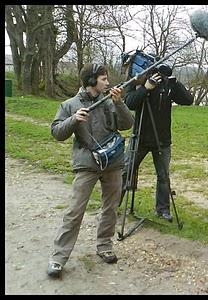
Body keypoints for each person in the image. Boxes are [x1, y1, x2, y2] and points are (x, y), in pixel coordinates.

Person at [47, 63, 134, 278]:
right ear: (91, 81)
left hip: (113, 163)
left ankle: (104, 245)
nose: (107, 82)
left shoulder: (110, 101)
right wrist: (73, 119)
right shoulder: (70, 104)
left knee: (110, 208)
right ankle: (58, 257)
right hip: (87, 164)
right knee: (75, 211)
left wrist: (120, 103)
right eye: (103, 79)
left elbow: (127, 124)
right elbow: (57, 132)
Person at [122, 63, 194, 222]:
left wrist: (175, 83)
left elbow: (188, 100)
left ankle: (163, 209)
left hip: (162, 139)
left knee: (163, 176)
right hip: (140, 137)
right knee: (126, 170)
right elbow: (129, 103)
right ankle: (113, 204)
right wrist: (145, 88)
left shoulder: (168, 84)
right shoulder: (138, 80)